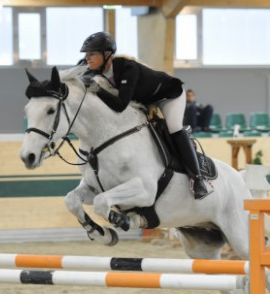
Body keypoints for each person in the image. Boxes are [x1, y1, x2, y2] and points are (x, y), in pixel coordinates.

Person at [80, 31, 212, 200]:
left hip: (168, 96)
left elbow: (120, 105)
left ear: (106, 55)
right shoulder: (94, 72)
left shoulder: (128, 68)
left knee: (174, 129)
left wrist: (97, 90)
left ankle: (198, 179)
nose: (87, 58)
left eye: (91, 54)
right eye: (86, 54)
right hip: (145, 101)